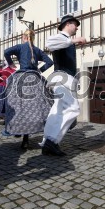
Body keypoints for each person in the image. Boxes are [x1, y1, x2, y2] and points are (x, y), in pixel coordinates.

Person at [41, 15, 86, 156]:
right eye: (75, 24)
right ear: (68, 24)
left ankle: (47, 142)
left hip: (65, 79)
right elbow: (49, 43)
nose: (77, 27)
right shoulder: (61, 37)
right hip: (62, 78)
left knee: (57, 111)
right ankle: (51, 141)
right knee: (72, 108)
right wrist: (74, 40)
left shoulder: (66, 40)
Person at [3, 29, 54, 149]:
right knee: (39, 107)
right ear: (33, 38)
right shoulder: (37, 50)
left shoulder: (20, 47)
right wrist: (40, 70)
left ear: (23, 37)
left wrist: (10, 64)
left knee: (18, 107)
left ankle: (19, 132)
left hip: (21, 79)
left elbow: (6, 52)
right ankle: (43, 132)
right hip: (35, 79)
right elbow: (50, 62)